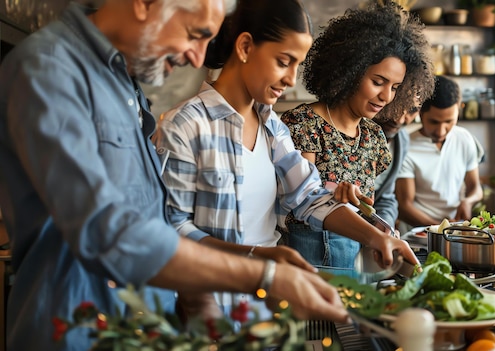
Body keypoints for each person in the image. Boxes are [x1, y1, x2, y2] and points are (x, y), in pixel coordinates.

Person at [0, 1, 353, 349]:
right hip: (76, 333)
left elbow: (153, 217)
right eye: (194, 34)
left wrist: (197, 300)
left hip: (147, 328)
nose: (198, 59)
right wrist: (263, 275)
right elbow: (105, 229)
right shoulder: (48, 69)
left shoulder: (126, 86)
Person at [153, 0, 418, 319]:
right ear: (246, 46)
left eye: (298, 65)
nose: (291, 79)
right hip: (212, 312)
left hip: (269, 311)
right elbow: (172, 230)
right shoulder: (185, 125)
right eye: (284, 61)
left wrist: (376, 236)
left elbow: (308, 196)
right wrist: (260, 259)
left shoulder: (272, 127)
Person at [280, 2, 434, 269]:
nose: (386, 97)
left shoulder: (373, 136)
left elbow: (370, 205)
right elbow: (299, 199)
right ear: (349, 71)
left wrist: (381, 229)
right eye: (378, 82)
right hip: (306, 258)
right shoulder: (304, 123)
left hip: (355, 259)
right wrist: (333, 191)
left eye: (395, 87)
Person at [395, 76, 484, 232]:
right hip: (418, 232)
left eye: (449, 121)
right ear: (420, 113)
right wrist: (439, 228)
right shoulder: (405, 146)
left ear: (459, 109)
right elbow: (404, 206)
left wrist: (467, 202)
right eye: (434, 122)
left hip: (455, 229)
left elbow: (475, 188)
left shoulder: (464, 138)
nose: (441, 131)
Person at [372, 97, 422, 228]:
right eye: (395, 105)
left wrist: (385, 224)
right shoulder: (353, 133)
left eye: (412, 110)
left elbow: (385, 197)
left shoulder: (402, 140)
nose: (399, 119)